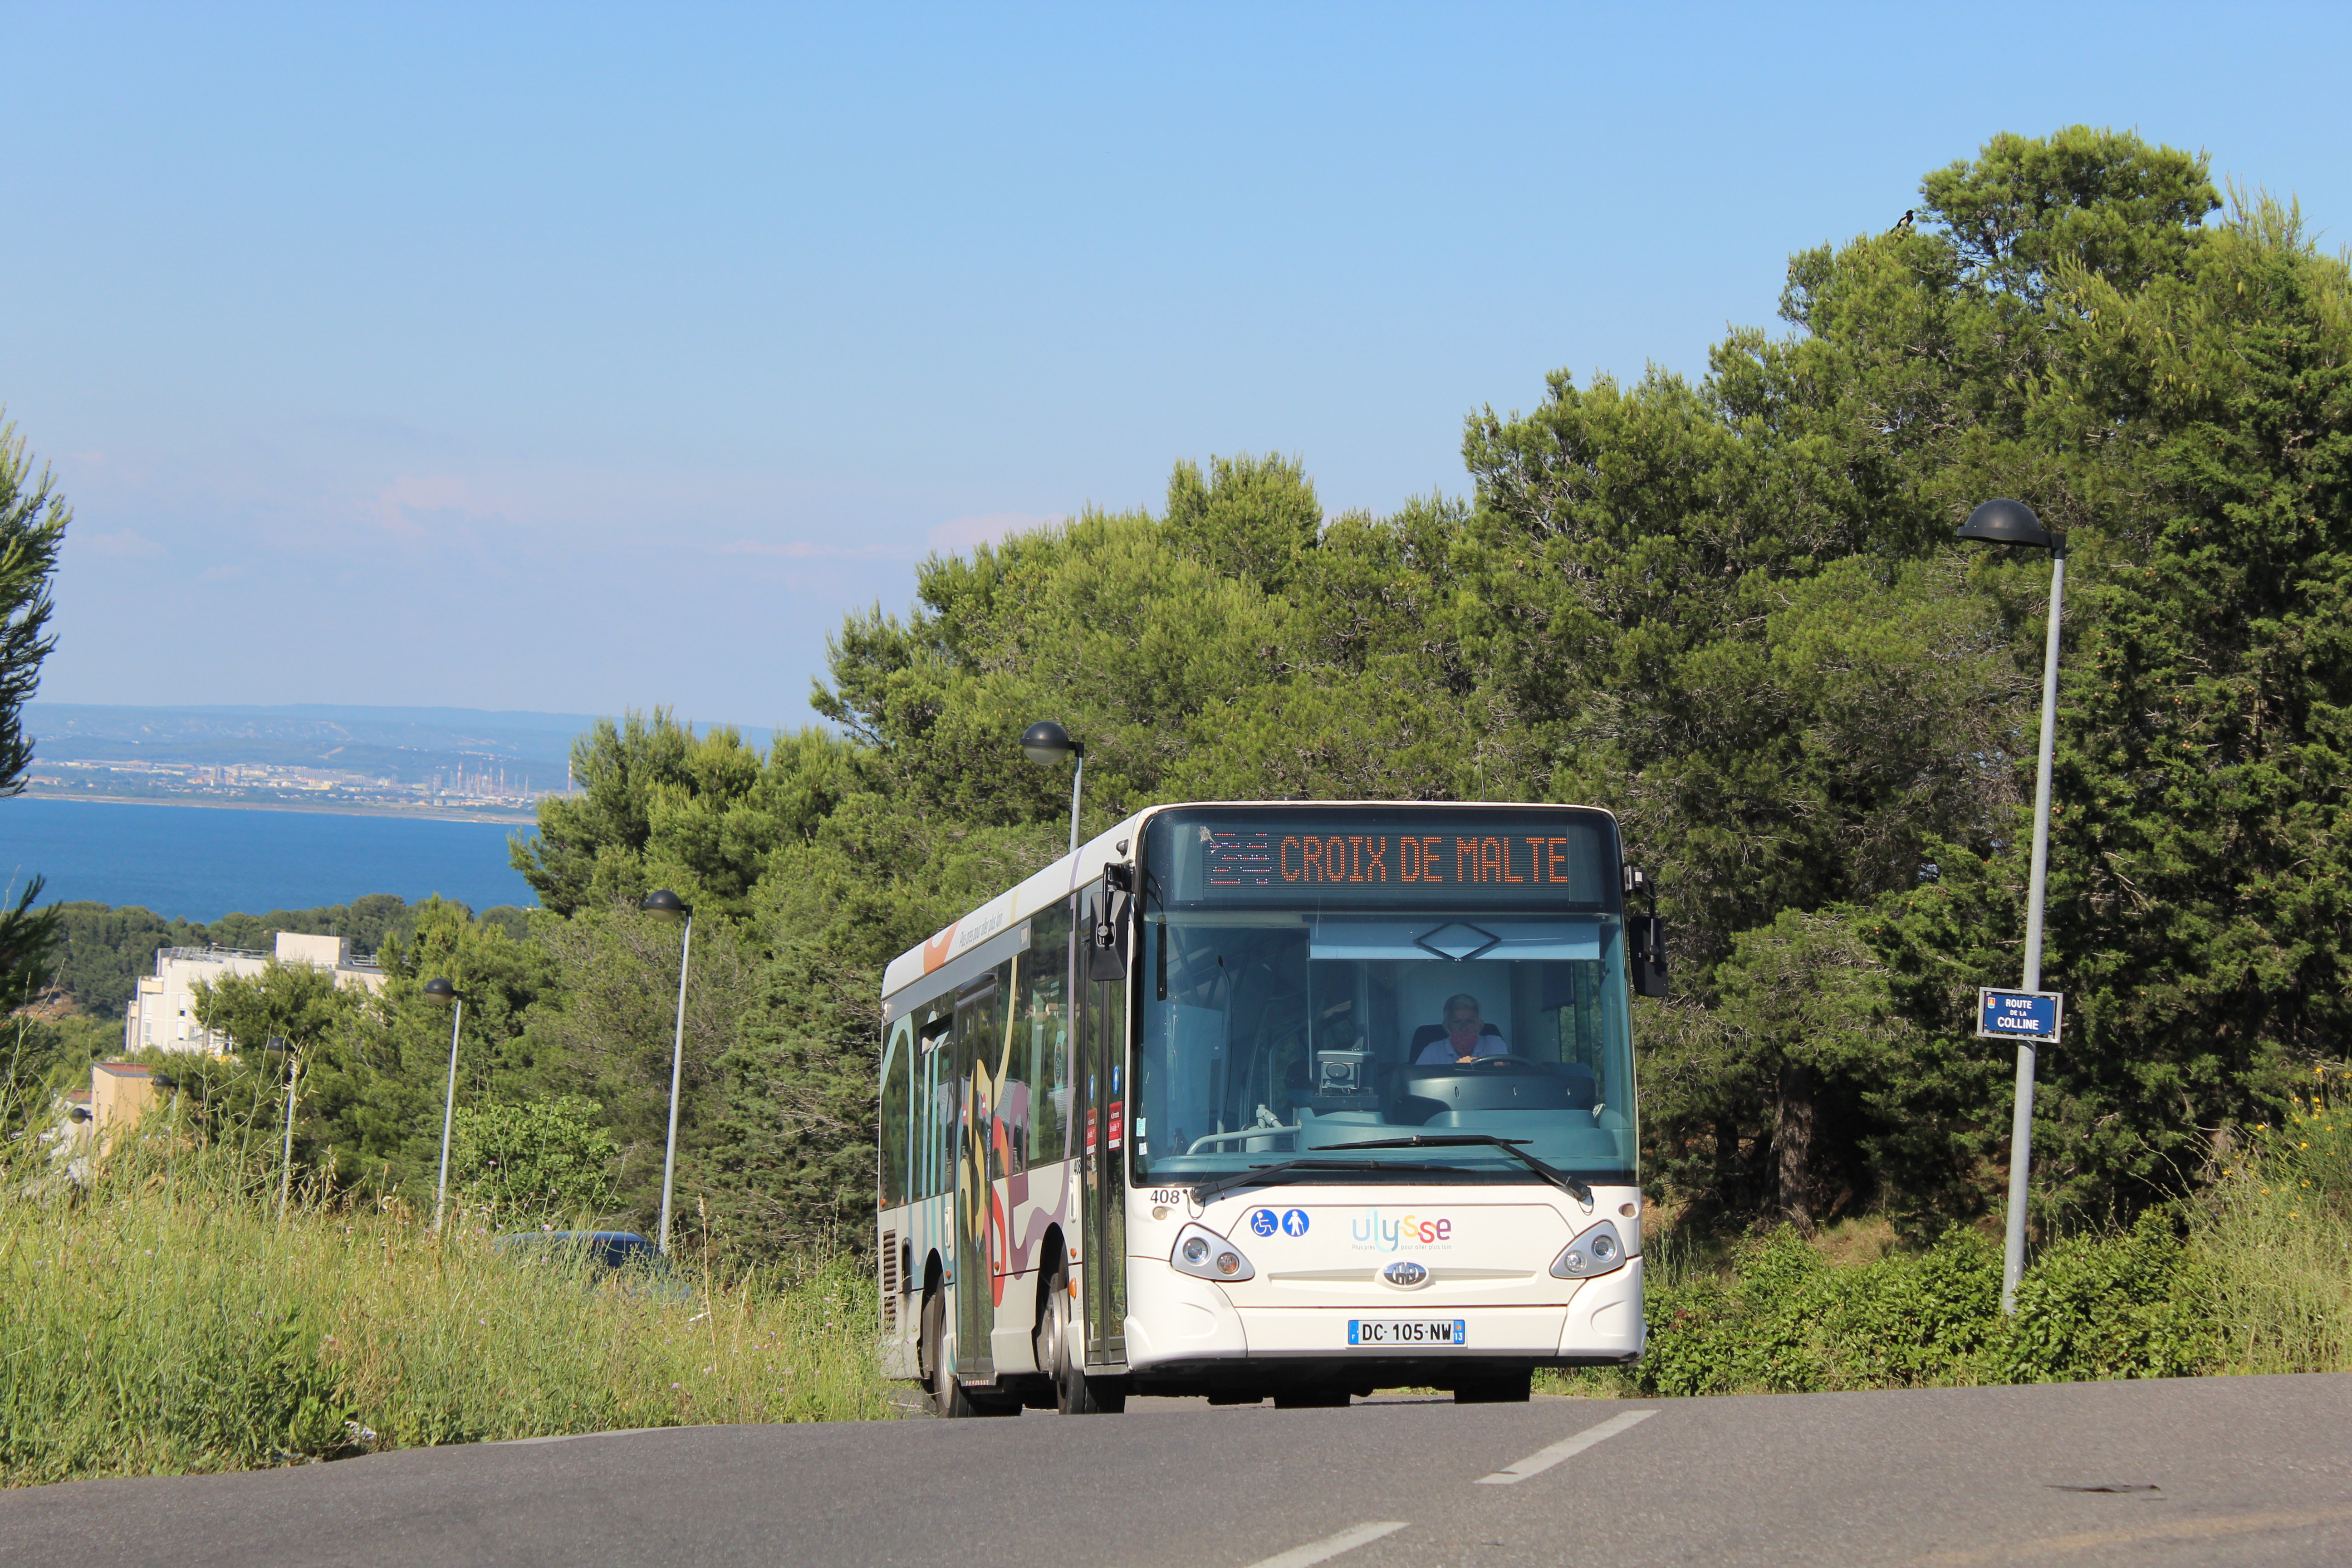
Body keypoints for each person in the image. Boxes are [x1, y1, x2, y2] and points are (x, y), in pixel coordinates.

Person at [1411, 994, 1510, 1064]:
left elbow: (1502, 1070)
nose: (1464, 1028)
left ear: (1481, 1025)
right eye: (1457, 1022)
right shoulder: (1433, 1051)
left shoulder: (1493, 1043)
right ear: (1446, 1027)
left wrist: (1473, 1063)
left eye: (1470, 1022)